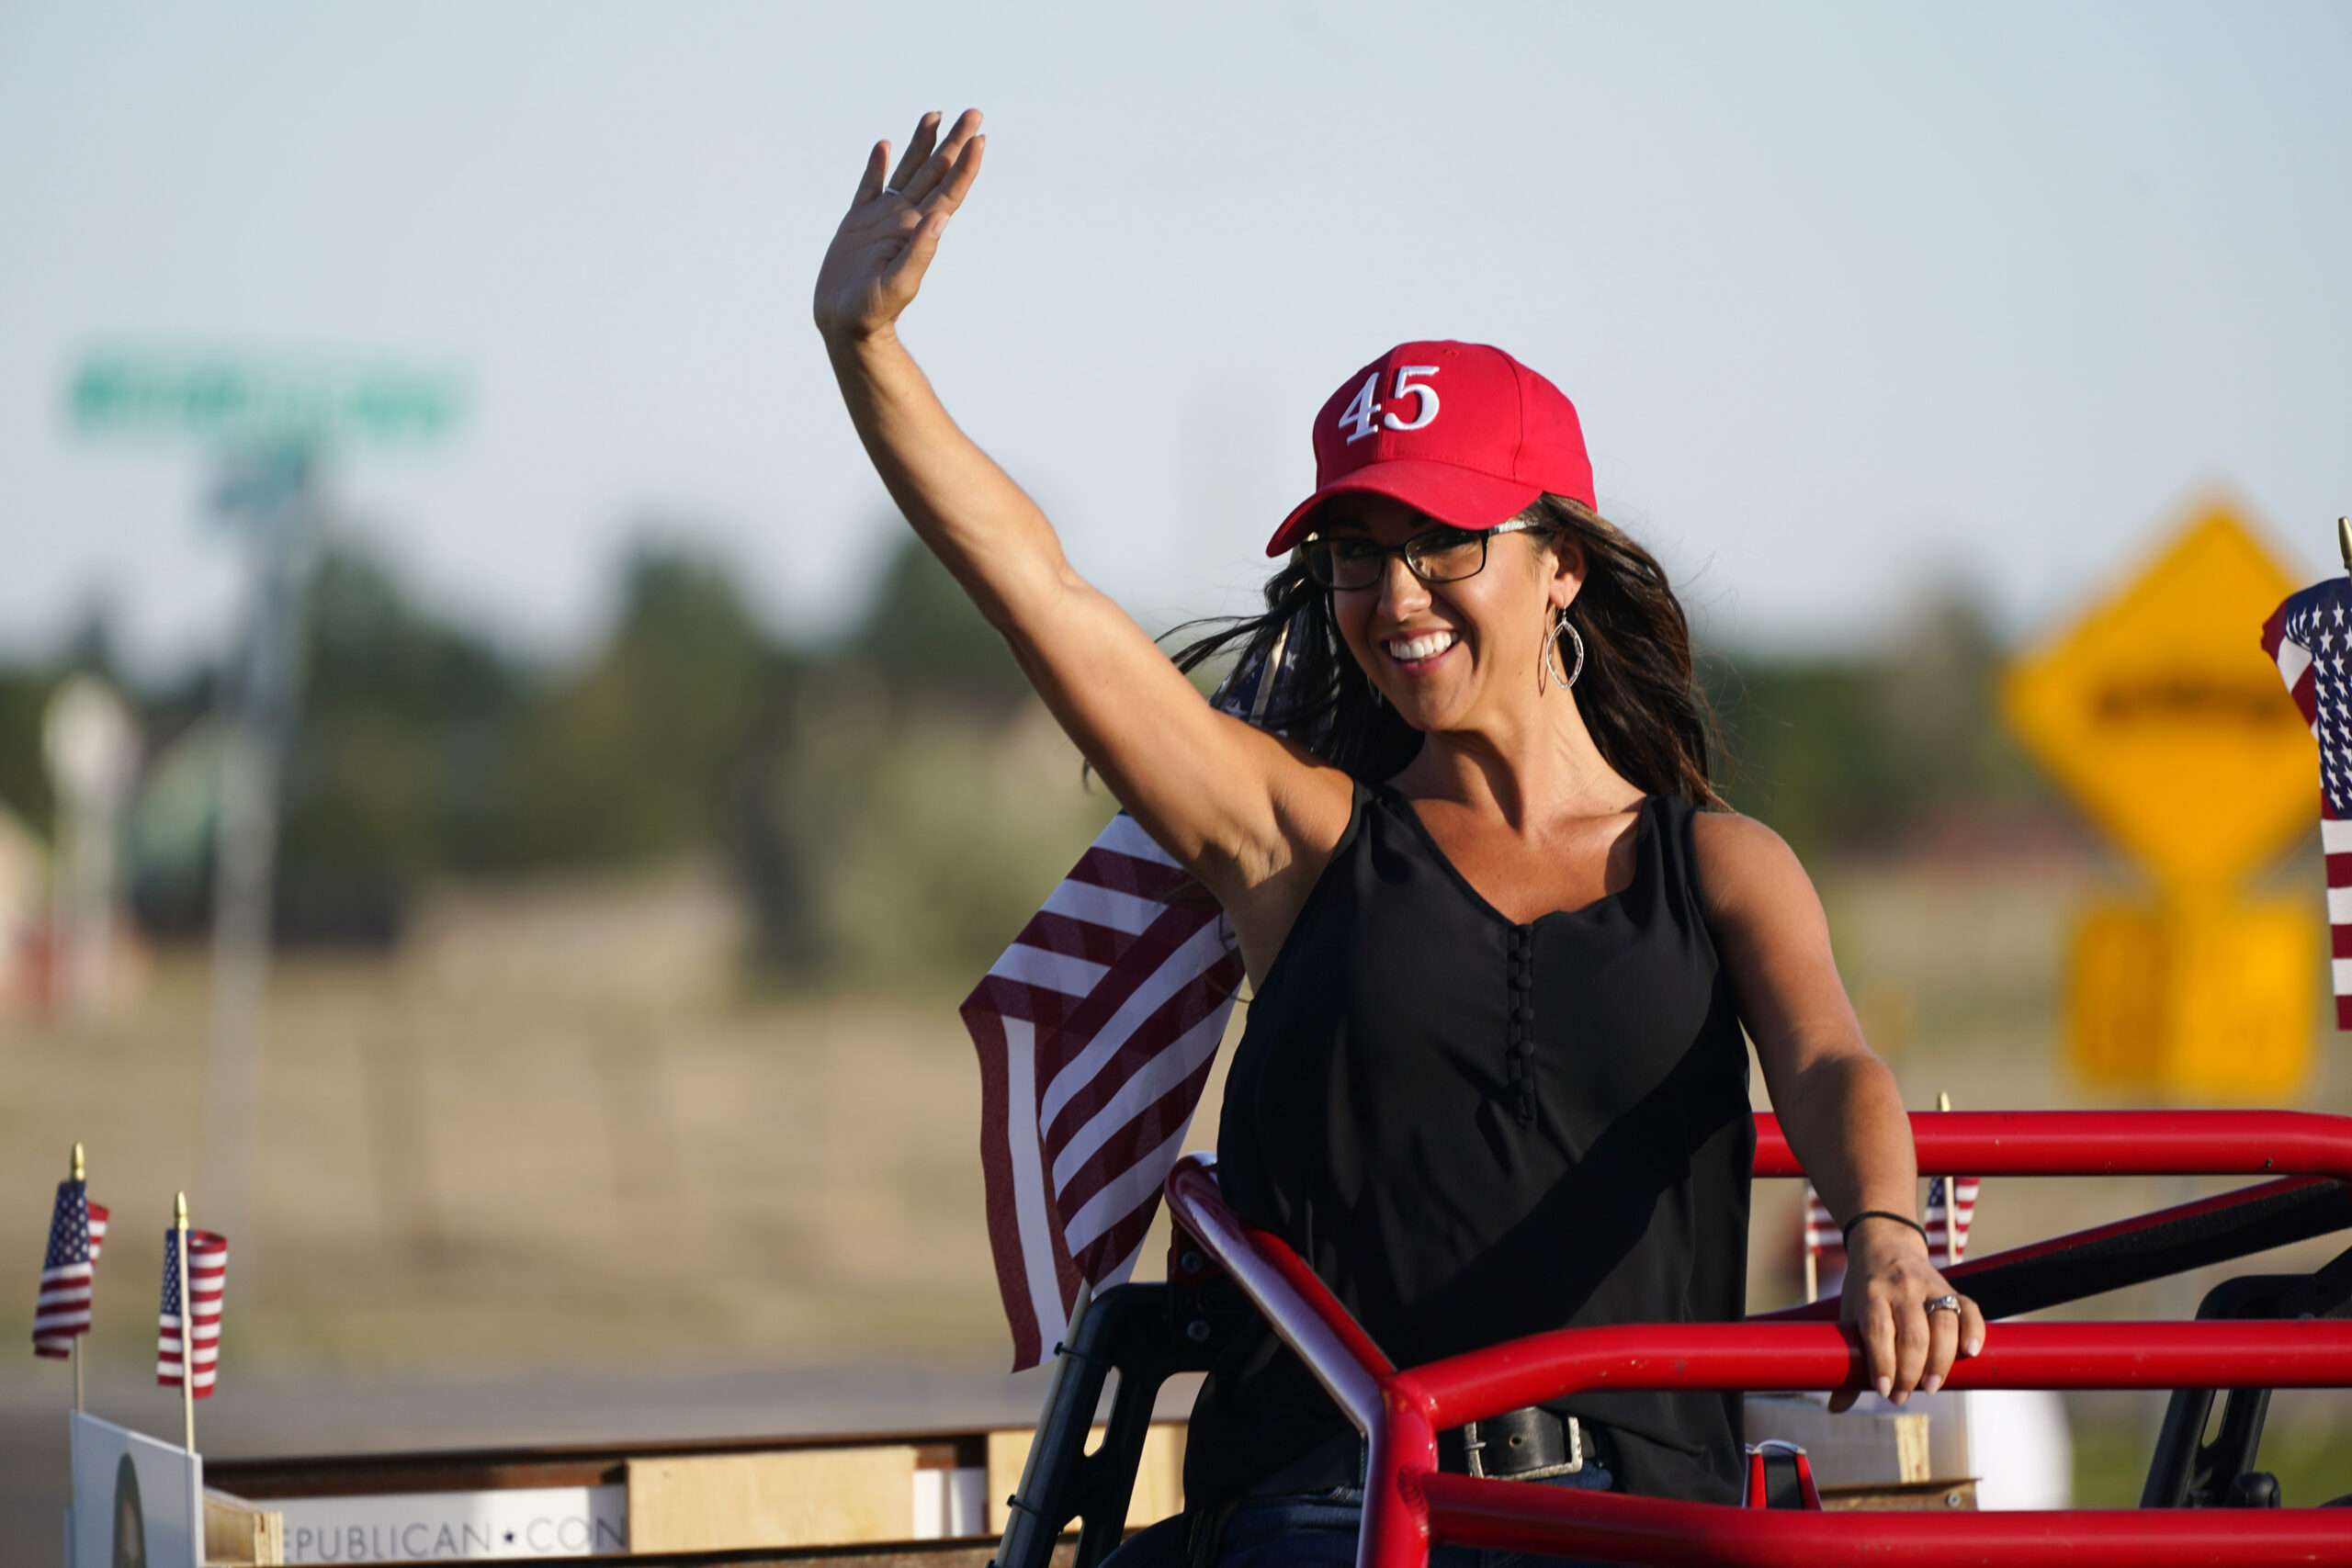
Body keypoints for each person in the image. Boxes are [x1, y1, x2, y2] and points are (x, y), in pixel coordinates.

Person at [814, 109, 1984, 1564]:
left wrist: (1884, 1235)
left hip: (1638, 1525)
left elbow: (1830, 1064)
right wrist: (868, 351)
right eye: (1359, 553)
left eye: (1446, 542)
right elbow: (1043, 594)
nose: (1398, 593)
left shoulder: (1720, 866)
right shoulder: (1298, 841)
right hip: (1338, 1515)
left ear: (1560, 564)